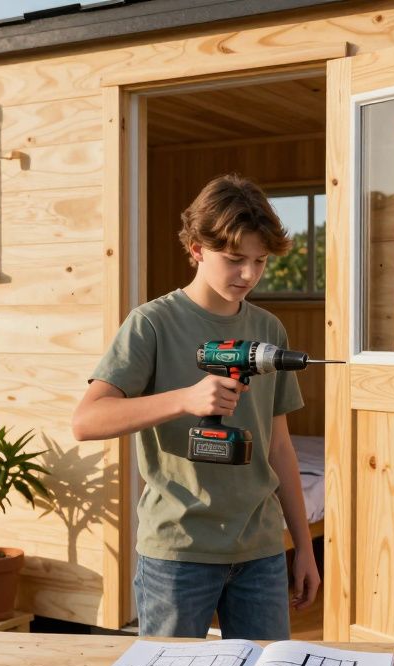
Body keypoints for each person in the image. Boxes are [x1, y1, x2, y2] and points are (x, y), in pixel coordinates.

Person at [71, 173, 320, 640]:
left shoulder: (269, 331)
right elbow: (86, 421)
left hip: (261, 552)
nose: (248, 275)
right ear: (197, 249)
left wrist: (302, 547)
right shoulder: (151, 324)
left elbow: (280, 447)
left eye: (260, 261)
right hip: (178, 554)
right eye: (234, 259)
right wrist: (185, 399)